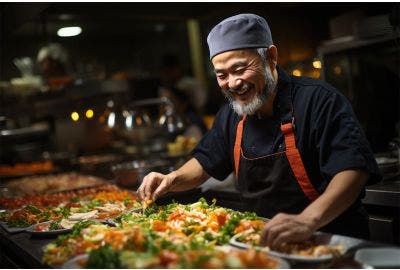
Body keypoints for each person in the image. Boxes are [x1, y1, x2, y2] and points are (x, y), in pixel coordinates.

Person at [138, 14, 381, 248]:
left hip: (328, 237)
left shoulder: (319, 99)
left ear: (271, 57)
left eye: (240, 69)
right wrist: (171, 179)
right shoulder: (230, 115)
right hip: (263, 241)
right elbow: (205, 162)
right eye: (222, 75)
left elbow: (352, 170)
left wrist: (308, 220)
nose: (232, 83)